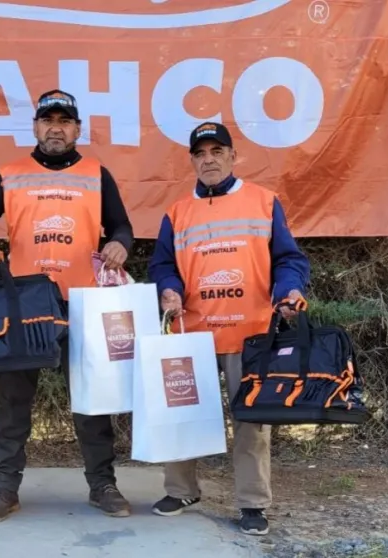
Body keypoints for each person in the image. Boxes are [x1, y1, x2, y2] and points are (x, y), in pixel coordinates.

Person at [0, 89, 135, 523]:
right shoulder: (11, 173)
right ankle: (3, 490)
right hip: (24, 308)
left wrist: (119, 244)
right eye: (47, 120)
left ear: (77, 129)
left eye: (65, 121)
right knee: (12, 402)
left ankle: (102, 486)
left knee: (92, 403)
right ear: (35, 127)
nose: (56, 128)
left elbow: (124, 227)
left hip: (82, 307)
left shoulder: (97, 174)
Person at [147, 121, 311, 536]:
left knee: (252, 423)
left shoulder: (264, 202)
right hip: (191, 334)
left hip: (251, 333)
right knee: (182, 415)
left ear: (233, 156)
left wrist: (288, 293)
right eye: (200, 154)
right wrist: (167, 289)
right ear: (192, 161)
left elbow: (289, 260)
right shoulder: (177, 212)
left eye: (217, 151)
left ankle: (253, 504)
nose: (208, 160)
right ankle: (181, 489)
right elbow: (162, 264)